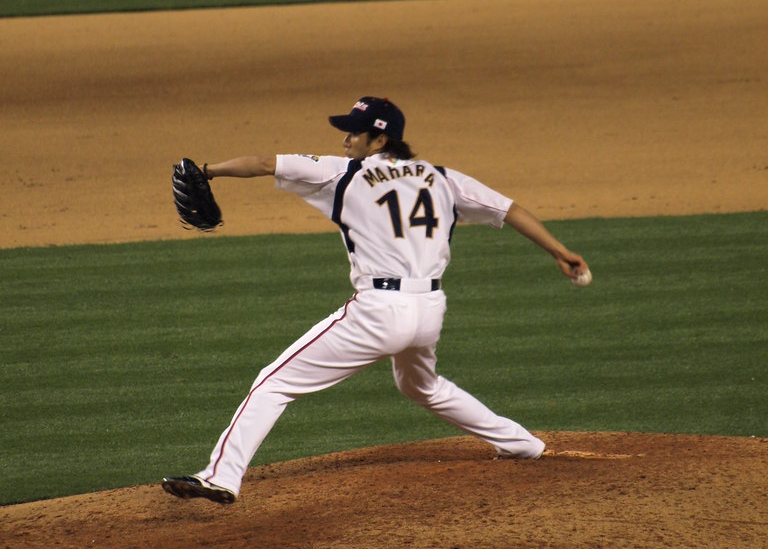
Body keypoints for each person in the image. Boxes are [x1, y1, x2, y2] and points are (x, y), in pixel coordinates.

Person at [162, 97, 590, 504]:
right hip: (429, 310)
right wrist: (560, 251)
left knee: (273, 383)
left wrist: (208, 170)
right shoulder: (442, 177)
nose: (346, 140)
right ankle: (522, 444)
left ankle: (221, 476)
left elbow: (261, 164)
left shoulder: (343, 173)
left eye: (354, 133)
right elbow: (508, 210)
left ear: (379, 141)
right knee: (421, 385)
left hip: (378, 312)